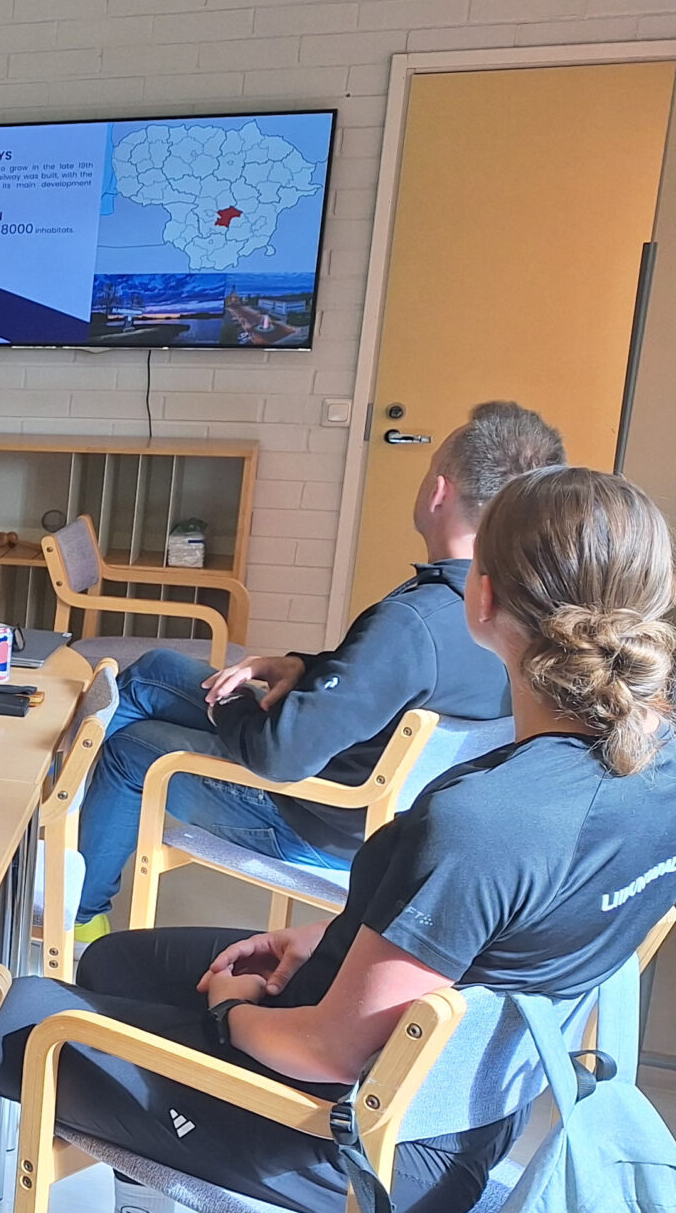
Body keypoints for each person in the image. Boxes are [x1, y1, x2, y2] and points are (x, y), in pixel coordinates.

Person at [0, 465, 676, 1213]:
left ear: (482, 598)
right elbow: (512, 931)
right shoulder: (651, 769)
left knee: (10, 1019)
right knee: (120, 960)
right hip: (469, 1119)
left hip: (357, 1143)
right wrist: (337, 940)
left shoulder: (485, 819)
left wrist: (228, 1017)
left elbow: (329, 1051)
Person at [70, 400, 565, 943]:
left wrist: (231, 697)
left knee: (132, 748)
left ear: (438, 492)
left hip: (318, 816)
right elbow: (394, 679)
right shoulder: (525, 609)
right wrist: (303, 667)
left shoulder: (414, 621)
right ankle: (65, 817)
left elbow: (279, 756)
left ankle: (77, 911)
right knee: (155, 671)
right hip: (389, 814)